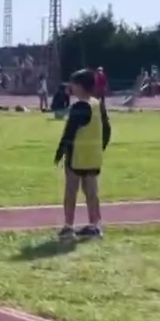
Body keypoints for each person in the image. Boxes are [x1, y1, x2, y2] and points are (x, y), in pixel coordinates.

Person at [54, 69, 111, 241]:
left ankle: (68, 227)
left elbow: (69, 132)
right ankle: (95, 226)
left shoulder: (79, 107)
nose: (71, 86)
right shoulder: (97, 104)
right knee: (92, 192)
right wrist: (100, 148)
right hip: (93, 157)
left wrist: (60, 152)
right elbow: (107, 129)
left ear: (80, 86)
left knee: (71, 191)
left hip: (77, 156)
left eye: (73, 83)